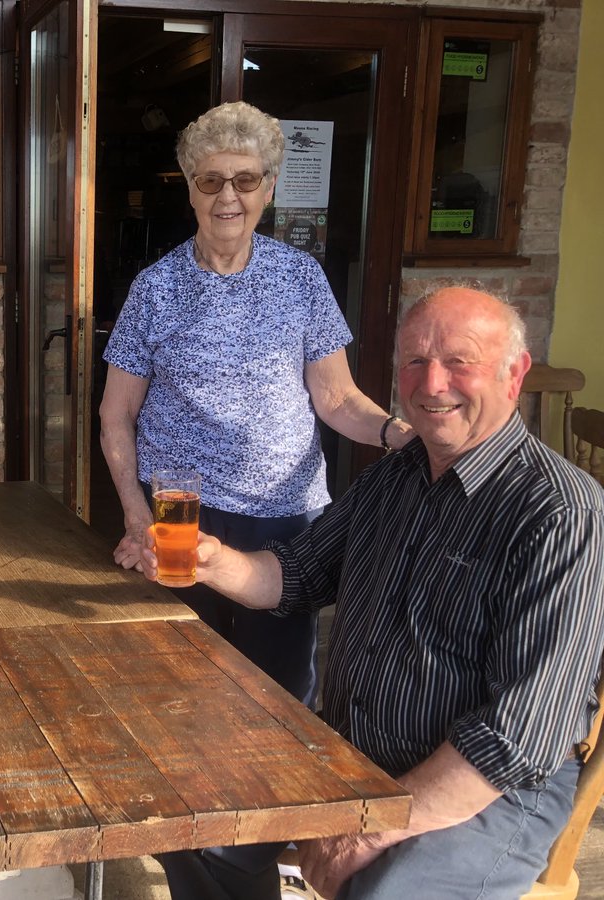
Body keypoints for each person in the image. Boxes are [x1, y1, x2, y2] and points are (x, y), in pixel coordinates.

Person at [141, 287, 604, 899]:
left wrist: (362, 831)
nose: (432, 383)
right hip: (355, 753)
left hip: (488, 792)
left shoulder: (558, 511)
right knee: (194, 823)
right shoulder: (393, 477)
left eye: (458, 361)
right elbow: (299, 574)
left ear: (514, 374)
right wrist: (210, 560)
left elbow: (519, 734)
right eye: (414, 361)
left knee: (382, 892)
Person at [100, 101, 413, 711]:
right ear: (190, 190)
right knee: (178, 685)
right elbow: (117, 414)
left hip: (286, 522)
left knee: (279, 694)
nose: (227, 197)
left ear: (267, 190)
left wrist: (399, 434)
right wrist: (138, 519)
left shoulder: (301, 278)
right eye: (210, 180)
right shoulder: (155, 289)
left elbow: (338, 398)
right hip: (183, 514)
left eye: (245, 181)